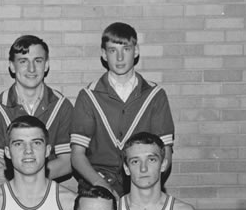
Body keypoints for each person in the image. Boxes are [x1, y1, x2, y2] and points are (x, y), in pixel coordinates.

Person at [71, 22, 175, 197]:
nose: (119, 58)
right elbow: (77, 156)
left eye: (125, 49)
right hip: (97, 182)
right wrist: (103, 186)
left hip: (141, 180)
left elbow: (166, 152)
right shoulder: (89, 96)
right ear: (104, 54)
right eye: (112, 51)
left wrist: (145, 185)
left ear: (136, 51)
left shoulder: (155, 95)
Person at [0, 35, 73, 186]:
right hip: (6, 183)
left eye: (38, 61)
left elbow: (66, 163)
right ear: (12, 66)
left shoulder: (62, 106)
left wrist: (28, 177)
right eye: (23, 62)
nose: (31, 69)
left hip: (49, 181)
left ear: (46, 65)